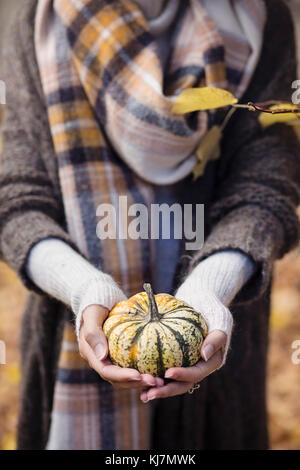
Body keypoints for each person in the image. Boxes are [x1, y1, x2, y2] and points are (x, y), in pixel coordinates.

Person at [0, 0, 299, 450]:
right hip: (68, 334)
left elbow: (265, 187)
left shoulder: (259, 18)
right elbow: (16, 200)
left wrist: (211, 288)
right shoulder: (38, 20)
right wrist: (83, 290)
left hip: (219, 335)